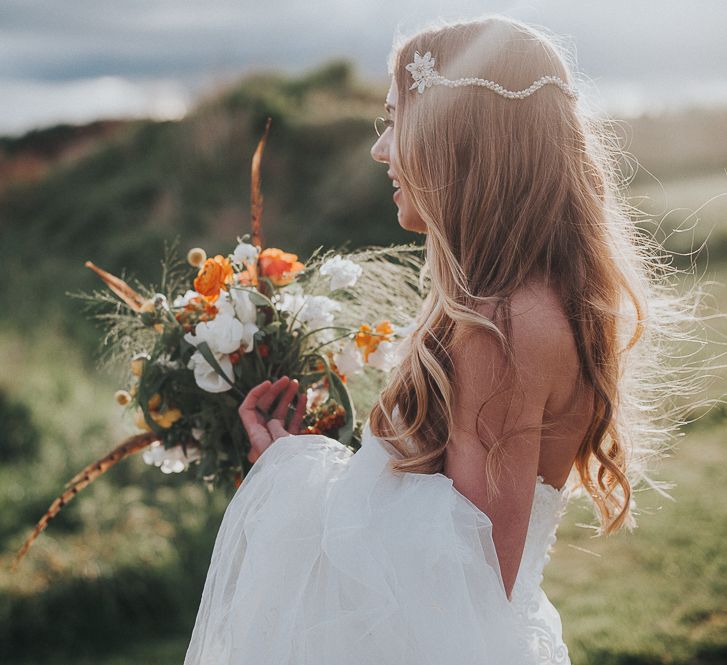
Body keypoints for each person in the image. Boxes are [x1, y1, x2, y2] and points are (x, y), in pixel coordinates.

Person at [184, 14, 713, 665]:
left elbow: (459, 575)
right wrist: (295, 454)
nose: (381, 150)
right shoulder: (527, 301)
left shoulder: (501, 324)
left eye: (393, 119)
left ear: (454, 135)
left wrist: (294, 480)